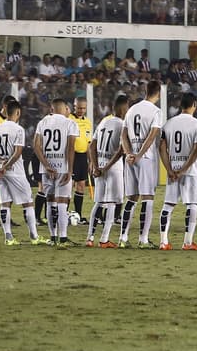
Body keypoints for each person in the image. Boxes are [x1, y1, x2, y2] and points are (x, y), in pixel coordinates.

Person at [0, 100, 43, 246]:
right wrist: (7, 165)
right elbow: (18, 153)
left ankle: (8, 237)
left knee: (5, 204)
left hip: (0, 171)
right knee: (28, 202)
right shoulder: (18, 130)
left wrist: (1, 164)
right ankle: (34, 236)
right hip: (15, 171)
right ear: (17, 112)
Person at [157, 94, 197, 251]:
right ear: (194, 104)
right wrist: (184, 169)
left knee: (168, 205)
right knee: (192, 204)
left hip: (173, 169)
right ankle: (188, 242)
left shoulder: (168, 124)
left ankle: (163, 241)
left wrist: (169, 169)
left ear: (180, 105)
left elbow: (162, 147)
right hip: (190, 171)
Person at [120, 80, 164, 248]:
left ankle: (123, 238)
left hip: (130, 159)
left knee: (131, 198)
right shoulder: (156, 111)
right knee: (147, 197)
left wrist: (129, 153)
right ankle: (143, 239)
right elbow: (152, 136)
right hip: (145, 159)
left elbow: (123, 134)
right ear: (158, 93)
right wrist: (138, 155)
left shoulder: (132, 109)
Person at [34, 98, 79, 247]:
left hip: (47, 168)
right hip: (62, 166)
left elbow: (36, 146)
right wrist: (70, 170)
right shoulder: (70, 123)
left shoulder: (43, 122)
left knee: (50, 202)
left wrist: (46, 165)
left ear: (51, 109)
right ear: (65, 108)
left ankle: (53, 237)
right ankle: (63, 238)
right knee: (62, 203)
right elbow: (70, 148)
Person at [85, 95, 127, 248]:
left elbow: (92, 146)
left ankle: (90, 238)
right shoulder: (123, 125)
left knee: (99, 202)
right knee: (112, 202)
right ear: (124, 109)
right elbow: (121, 150)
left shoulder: (104, 121)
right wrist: (106, 168)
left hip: (99, 165)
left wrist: (96, 166)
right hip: (113, 168)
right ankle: (104, 239)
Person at [69, 96, 92, 224]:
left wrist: (91, 161)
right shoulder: (69, 119)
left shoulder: (88, 122)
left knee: (81, 185)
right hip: (72, 155)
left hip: (82, 157)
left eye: (83, 108)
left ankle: (78, 214)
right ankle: (64, 214)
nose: (81, 110)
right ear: (74, 106)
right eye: (78, 108)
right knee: (69, 186)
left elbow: (89, 143)